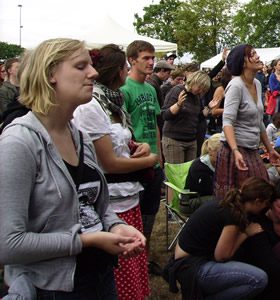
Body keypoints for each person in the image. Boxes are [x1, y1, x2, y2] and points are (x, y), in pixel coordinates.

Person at [0, 38, 145, 299]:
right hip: (52, 288)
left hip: (99, 277)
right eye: (81, 66)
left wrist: (114, 227)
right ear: (50, 75)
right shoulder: (19, 143)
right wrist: (87, 240)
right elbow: (8, 244)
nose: (94, 73)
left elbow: (91, 207)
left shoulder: (80, 137)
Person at [73, 44, 158, 299]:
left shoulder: (112, 102)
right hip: (113, 197)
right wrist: (150, 160)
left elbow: (119, 142)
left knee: (133, 268)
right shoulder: (91, 106)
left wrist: (138, 146)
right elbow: (108, 162)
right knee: (121, 275)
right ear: (119, 70)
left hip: (127, 195)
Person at [168, 177, 272, 299]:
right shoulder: (232, 215)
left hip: (186, 260)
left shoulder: (228, 204)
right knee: (259, 279)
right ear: (258, 201)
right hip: (190, 267)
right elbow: (222, 256)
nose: (266, 208)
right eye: (266, 204)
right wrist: (246, 233)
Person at [215, 44, 280, 200]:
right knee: (241, 199)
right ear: (243, 62)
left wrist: (270, 149)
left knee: (261, 192)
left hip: (251, 149)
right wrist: (235, 151)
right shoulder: (235, 85)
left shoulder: (257, 84)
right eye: (253, 54)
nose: (258, 56)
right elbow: (227, 122)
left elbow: (259, 122)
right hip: (235, 151)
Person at [120, 40, 163, 252]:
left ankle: (144, 254)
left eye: (152, 58)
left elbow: (155, 123)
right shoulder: (124, 89)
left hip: (154, 162)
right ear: (131, 60)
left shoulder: (151, 88)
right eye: (146, 57)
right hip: (136, 161)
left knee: (150, 212)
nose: (151, 62)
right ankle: (134, 254)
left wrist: (160, 156)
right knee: (133, 212)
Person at [161, 71, 211, 163]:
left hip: (191, 141)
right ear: (194, 81)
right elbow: (165, 115)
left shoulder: (196, 97)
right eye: (200, 87)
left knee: (189, 175)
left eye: (203, 90)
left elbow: (196, 118)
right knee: (176, 175)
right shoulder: (177, 90)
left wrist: (207, 110)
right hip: (174, 140)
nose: (200, 91)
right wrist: (178, 105)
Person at [183, 134, 222, 215]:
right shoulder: (199, 166)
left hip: (208, 199)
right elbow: (209, 190)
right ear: (210, 150)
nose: (223, 156)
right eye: (220, 153)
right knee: (223, 200)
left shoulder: (221, 164)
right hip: (190, 202)